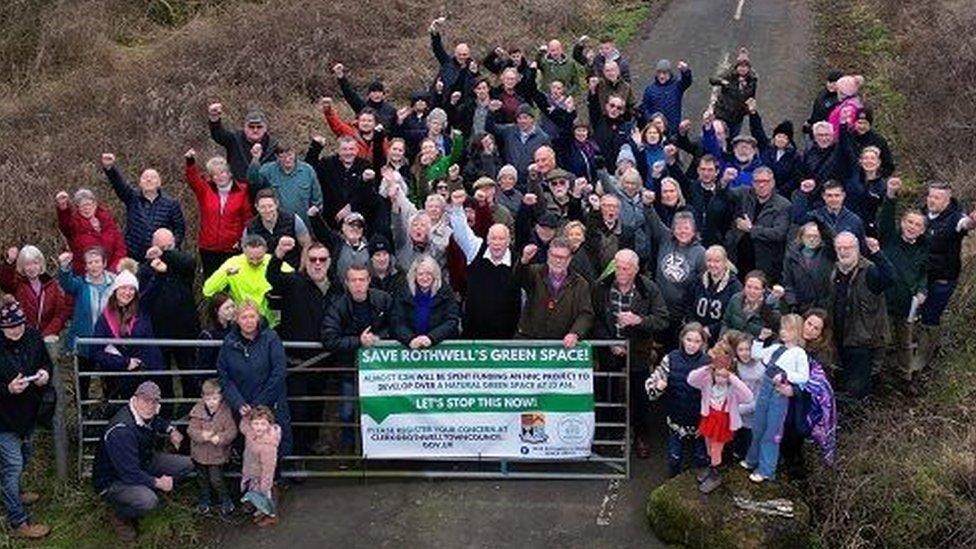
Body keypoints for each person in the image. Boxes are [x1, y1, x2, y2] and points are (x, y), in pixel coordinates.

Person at [591, 249, 669, 458]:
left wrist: (639, 321)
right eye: (618, 267)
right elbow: (595, 319)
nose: (621, 272)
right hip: (609, 350)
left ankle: (641, 434)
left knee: (639, 395)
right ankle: (607, 432)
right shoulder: (602, 287)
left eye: (626, 268)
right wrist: (609, 343)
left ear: (636, 269)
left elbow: (663, 320)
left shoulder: (649, 289)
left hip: (638, 350)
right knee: (607, 390)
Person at [92, 381, 191, 542]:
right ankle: (120, 515)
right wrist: (159, 482)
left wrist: (171, 430)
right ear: (135, 399)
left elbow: (158, 421)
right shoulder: (122, 430)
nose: (150, 405)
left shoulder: (145, 415)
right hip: (114, 480)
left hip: (143, 463)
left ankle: (147, 490)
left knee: (187, 464)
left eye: (154, 401)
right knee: (149, 501)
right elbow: (129, 473)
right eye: (145, 400)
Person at [266, 238, 339, 453]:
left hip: (324, 360)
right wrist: (277, 255)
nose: (317, 263)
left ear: (329, 262)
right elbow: (273, 278)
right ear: (305, 261)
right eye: (313, 259)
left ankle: (312, 443)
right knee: (297, 408)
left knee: (317, 406)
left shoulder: (337, 287)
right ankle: (296, 453)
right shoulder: (294, 282)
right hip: (296, 360)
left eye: (322, 259)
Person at [321, 264, 392, 454]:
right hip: (348, 368)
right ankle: (348, 451)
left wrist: (379, 339)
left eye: (362, 279)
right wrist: (358, 341)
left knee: (384, 410)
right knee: (347, 413)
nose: (358, 284)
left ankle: (383, 452)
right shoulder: (338, 305)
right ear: (347, 283)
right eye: (354, 280)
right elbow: (329, 338)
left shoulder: (383, 299)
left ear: (369, 280)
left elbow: (396, 325)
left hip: (380, 369)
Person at [0, 299, 52, 539]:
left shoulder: (32, 336)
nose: (16, 330)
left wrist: (44, 374)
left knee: (24, 456)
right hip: (3, 419)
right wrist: (7, 389)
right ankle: (18, 521)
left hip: (29, 413)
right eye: (11, 327)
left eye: (19, 324)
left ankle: (16, 492)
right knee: (13, 466)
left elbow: (45, 362)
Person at [216, 299, 292, 460]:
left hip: (271, 402)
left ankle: (276, 479)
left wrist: (259, 403)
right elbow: (224, 376)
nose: (248, 321)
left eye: (252, 317)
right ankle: (248, 481)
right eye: (244, 317)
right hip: (243, 403)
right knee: (247, 445)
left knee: (273, 445)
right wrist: (238, 402)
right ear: (237, 319)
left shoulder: (271, 338)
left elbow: (278, 372)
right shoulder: (229, 343)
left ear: (258, 317)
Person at [742, 314, 809, 483]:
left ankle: (766, 470)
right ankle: (752, 460)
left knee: (772, 432)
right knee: (758, 426)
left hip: (779, 394)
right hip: (765, 388)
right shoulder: (776, 347)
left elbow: (803, 376)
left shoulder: (799, 353)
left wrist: (785, 375)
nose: (783, 332)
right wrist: (760, 339)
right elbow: (757, 355)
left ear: (796, 331)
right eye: (782, 328)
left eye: (787, 329)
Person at [138, 229, 201, 401]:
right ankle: (164, 411)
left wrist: (165, 254)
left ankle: (190, 409)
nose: (165, 250)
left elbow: (189, 263)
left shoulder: (182, 263)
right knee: (162, 378)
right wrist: (152, 261)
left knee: (190, 376)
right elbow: (142, 286)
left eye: (169, 246)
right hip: (158, 332)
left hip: (185, 330)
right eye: (161, 246)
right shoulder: (146, 268)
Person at [917, 181, 976, 367]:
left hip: (942, 278)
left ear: (947, 200)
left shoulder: (955, 218)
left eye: (937, 197)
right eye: (930, 196)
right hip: (919, 276)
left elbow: (965, 224)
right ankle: (907, 353)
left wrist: (973, 221)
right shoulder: (921, 215)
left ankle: (923, 361)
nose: (932, 200)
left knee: (930, 317)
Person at [829, 233, 894, 400]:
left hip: (863, 340)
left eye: (848, 248)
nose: (843, 252)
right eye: (840, 248)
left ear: (857, 249)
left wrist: (877, 253)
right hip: (839, 337)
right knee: (842, 383)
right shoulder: (835, 271)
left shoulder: (870, 270)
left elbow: (890, 278)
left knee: (857, 390)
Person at [877, 178, 928, 387]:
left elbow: (925, 275)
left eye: (917, 225)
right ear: (902, 223)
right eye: (909, 222)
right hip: (884, 300)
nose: (912, 227)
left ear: (923, 230)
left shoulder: (924, 250)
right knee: (882, 340)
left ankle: (905, 377)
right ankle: (878, 375)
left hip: (908, 305)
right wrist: (890, 193)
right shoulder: (889, 238)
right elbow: (887, 216)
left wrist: (923, 291)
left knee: (905, 343)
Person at [447, 194, 520, 339]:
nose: (497, 242)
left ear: (508, 241)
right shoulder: (476, 249)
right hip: (473, 333)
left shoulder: (517, 260)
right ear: (487, 239)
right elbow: (461, 231)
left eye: (501, 239)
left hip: (506, 336)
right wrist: (456, 208)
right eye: (493, 238)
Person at [688, 339, 753, 493]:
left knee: (717, 449)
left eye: (724, 376)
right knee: (709, 446)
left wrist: (731, 377)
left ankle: (715, 473)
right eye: (718, 375)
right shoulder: (707, 382)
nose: (721, 379)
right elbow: (691, 379)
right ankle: (711, 468)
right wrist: (708, 368)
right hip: (709, 418)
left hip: (722, 422)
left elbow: (749, 396)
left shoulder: (733, 389)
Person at [646, 322, 710, 477]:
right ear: (682, 339)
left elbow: (717, 394)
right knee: (675, 458)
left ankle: (698, 492)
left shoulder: (708, 362)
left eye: (697, 341)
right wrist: (658, 387)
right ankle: (672, 484)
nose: (692, 345)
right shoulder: (670, 358)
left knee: (701, 458)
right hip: (676, 420)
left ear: (702, 343)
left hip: (700, 422)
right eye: (689, 340)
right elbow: (650, 389)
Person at [92, 270, 167, 403]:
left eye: (132, 289)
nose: (127, 292)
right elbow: (97, 352)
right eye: (123, 288)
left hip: (152, 371)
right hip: (126, 377)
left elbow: (154, 288)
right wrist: (125, 363)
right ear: (115, 290)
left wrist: (159, 273)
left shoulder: (142, 307)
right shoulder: (105, 318)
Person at [100, 153, 186, 261]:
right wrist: (110, 168)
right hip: (133, 256)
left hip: (160, 258)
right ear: (140, 182)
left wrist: (170, 249)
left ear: (159, 183)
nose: (149, 180)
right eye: (145, 177)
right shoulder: (132, 197)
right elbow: (119, 184)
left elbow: (179, 230)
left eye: (153, 178)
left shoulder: (171, 204)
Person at [643, 204, 706, 346]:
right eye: (678, 228)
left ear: (694, 230)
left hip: (681, 312)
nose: (682, 232)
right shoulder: (666, 239)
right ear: (673, 229)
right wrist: (648, 205)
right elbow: (654, 221)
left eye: (686, 228)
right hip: (659, 307)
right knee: (657, 345)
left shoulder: (700, 252)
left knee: (674, 346)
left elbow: (702, 285)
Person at [58, 248, 115, 402]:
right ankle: (83, 413)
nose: (94, 266)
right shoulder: (81, 284)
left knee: (110, 381)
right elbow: (66, 283)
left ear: (104, 263)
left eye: (97, 262)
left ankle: (108, 411)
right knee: (83, 380)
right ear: (86, 266)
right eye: (90, 263)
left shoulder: (115, 283)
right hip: (86, 342)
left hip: (108, 342)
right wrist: (64, 267)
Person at [184, 149, 252, 278]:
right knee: (212, 285)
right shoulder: (205, 189)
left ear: (229, 173)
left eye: (222, 172)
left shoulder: (242, 190)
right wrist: (190, 162)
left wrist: (242, 241)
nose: (219, 177)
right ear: (211, 177)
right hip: (208, 248)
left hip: (232, 248)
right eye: (214, 174)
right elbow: (193, 179)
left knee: (232, 283)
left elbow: (247, 219)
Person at [515, 238, 594, 347]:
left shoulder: (580, 284)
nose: (558, 261)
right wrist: (524, 261)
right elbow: (517, 279)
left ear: (570, 259)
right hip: (530, 342)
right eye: (554, 256)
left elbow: (585, 314)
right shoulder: (534, 272)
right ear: (548, 255)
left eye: (563, 257)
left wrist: (575, 333)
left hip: (561, 346)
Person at [203, 234, 293, 325]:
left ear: (265, 251)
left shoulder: (274, 263)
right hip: (242, 322)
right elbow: (208, 290)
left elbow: (295, 282)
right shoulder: (234, 263)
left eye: (259, 258)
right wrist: (225, 274)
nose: (255, 262)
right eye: (251, 258)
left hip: (270, 323)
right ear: (244, 252)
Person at [726, 167, 791, 282]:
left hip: (764, 264)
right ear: (752, 183)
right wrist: (724, 181)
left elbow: (778, 234)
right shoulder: (744, 193)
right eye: (757, 182)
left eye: (765, 181)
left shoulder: (783, 205)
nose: (761, 185)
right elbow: (723, 195)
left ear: (772, 183)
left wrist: (751, 229)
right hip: (738, 258)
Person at [0, 246, 71, 345]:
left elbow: (60, 314)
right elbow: (5, 282)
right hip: (22, 339)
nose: (32, 268)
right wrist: (9, 262)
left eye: (35, 263)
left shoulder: (53, 286)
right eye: (27, 264)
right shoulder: (18, 285)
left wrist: (48, 333)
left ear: (41, 264)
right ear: (22, 267)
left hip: (46, 340)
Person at [187, 378, 237, 516]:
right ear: (203, 397)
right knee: (202, 478)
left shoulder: (225, 412)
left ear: (221, 397)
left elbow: (231, 431)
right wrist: (202, 435)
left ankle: (225, 499)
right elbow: (191, 430)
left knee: (216, 479)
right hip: (200, 453)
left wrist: (220, 438)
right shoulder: (197, 411)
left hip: (217, 454)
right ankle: (205, 499)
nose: (212, 402)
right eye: (208, 399)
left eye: (215, 398)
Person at [390, 256, 460, 349]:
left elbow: (452, 320)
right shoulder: (403, 292)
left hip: (440, 349)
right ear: (414, 275)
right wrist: (409, 339)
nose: (425, 278)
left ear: (435, 275)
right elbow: (396, 321)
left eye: (429, 274)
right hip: (410, 348)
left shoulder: (445, 292)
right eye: (421, 274)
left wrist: (432, 338)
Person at [247, 142, 322, 227]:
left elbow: (317, 200)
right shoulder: (268, 170)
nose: (287, 159)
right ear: (276, 157)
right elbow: (253, 182)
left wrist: (314, 210)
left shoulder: (308, 170)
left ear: (295, 153)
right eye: (282, 157)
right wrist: (255, 159)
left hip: (304, 225)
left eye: (290, 155)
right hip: (278, 227)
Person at [55, 188, 127, 275]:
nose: (86, 208)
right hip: (85, 276)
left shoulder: (108, 220)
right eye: (82, 206)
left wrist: (113, 270)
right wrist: (63, 208)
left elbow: (120, 248)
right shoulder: (74, 225)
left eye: (89, 204)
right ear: (78, 208)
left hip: (112, 274)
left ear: (95, 204)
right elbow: (65, 224)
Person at [245, 189, 313, 270]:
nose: (267, 210)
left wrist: (301, 270)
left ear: (276, 204)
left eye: (270, 206)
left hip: (291, 269)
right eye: (262, 207)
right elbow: (247, 252)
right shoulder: (250, 228)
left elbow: (307, 245)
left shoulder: (293, 220)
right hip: (265, 272)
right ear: (257, 207)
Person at [485, 103, 551, 187]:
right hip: (509, 179)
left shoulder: (543, 138)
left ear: (532, 119)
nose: (522, 121)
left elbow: (548, 161)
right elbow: (490, 128)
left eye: (525, 118)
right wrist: (490, 112)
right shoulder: (509, 130)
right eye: (519, 118)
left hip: (529, 181)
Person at [207, 103, 277, 181]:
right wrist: (214, 119)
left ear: (265, 128)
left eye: (259, 127)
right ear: (244, 127)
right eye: (251, 127)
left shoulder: (273, 146)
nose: (255, 130)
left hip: (265, 189)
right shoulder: (234, 139)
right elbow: (219, 135)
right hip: (239, 188)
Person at [689, 245, 743, 342]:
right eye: (709, 260)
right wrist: (695, 326)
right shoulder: (698, 280)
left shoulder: (735, 286)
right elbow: (688, 304)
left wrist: (711, 329)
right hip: (696, 333)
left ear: (725, 262)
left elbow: (733, 317)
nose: (712, 265)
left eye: (717, 261)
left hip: (719, 337)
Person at [239, 405, 281, 528]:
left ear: (269, 424)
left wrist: (265, 485)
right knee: (257, 497)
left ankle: (272, 516)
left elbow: (269, 468)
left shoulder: (268, 446)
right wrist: (246, 416)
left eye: (263, 424)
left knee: (266, 498)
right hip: (252, 473)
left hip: (262, 477)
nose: (259, 427)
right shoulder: (250, 432)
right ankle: (261, 512)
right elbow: (243, 427)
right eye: (256, 423)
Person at [781, 222, 835, 312]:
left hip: (824, 307)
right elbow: (788, 282)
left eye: (816, 236)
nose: (812, 239)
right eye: (808, 236)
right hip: (801, 306)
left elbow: (831, 240)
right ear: (801, 237)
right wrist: (792, 303)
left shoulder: (827, 253)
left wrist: (823, 225)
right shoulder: (792, 255)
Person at [728, 331, 763, 462]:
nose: (745, 353)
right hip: (737, 413)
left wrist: (741, 408)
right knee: (738, 440)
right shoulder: (734, 365)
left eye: (747, 349)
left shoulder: (760, 367)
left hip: (752, 411)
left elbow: (761, 395)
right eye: (741, 349)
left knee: (750, 440)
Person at [721, 270, 784, 339]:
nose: (751, 291)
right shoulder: (735, 299)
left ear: (763, 290)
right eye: (748, 287)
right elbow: (726, 323)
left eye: (756, 288)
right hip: (734, 342)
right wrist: (724, 337)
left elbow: (776, 331)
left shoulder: (772, 305)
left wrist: (767, 307)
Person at [333, 63, 397, 130]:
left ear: (383, 94)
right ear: (369, 94)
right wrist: (341, 76)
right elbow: (349, 93)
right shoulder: (362, 106)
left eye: (379, 92)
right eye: (373, 92)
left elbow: (395, 128)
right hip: (363, 138)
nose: (376, 94)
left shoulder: (391, 110)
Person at [428, 17, 476, 104]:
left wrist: (474, 73)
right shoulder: (447, 62)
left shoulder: (472, 68)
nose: (462, 57)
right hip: (442, 100)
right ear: (455, 54)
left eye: (464, 54)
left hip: (461, 105)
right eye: (459, 54)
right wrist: (435, 33)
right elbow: (437, 49)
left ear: (469, 54)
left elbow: (476, 84)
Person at [709, 50, 758, 136]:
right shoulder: (730, 76)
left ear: (749, 68)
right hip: (722, 114)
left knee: (732, 140)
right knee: (719, 135)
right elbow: (713, 79)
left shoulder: (752, 81)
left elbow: (751, 97)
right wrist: (724, 82)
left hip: (737, 117)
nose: (742, 69)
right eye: (740, 66)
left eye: (745, 67)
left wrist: (748, 109)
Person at [641, 59, 692, 134]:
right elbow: (645, 108)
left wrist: (685, 71)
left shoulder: (677, 86)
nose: (661, 76)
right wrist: (651, 120)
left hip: (673, 129)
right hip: (657, 130)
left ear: (669, 73)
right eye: (659, 73)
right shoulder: (650, 90)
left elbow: (687, 81)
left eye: (664, 73)